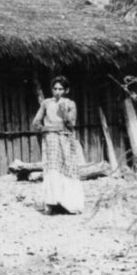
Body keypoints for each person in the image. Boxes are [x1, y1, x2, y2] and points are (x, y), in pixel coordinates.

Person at [32, 75, 85, 214]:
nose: (57, 92)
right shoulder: (46, 103)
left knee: (68, 168)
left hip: (66, 138)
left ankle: (69, 204)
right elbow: (36, 122)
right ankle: (50, 203)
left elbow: (72, 125)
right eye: (55, 88)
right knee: (52, 169)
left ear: (66, 90)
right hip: (51, 139)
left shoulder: (70, 103)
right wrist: (45, 130)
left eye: (60, 89)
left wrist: (63, 113)